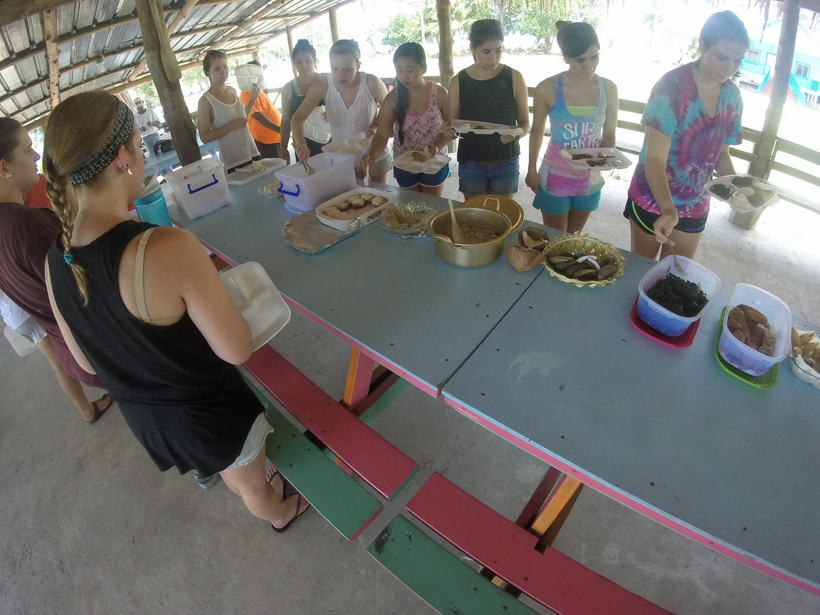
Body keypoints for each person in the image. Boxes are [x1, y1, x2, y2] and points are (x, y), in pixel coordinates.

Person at [43, 91, 309, 531]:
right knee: (251, 486)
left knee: (227, 469)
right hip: (210, 416)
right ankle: (279, 513)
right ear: (122, 158)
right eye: (138, 145)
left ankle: (238, 478)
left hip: (153, 424)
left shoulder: (57, 258)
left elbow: (89, 363)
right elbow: (235, 348)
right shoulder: (163, 247)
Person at [0, 117, 112, 423]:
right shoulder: (26, 225)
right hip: (98, 344)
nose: (36, 157)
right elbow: (86, 285)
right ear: (3, 167)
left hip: (72, 348)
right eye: (27, 150)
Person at [625, 11, 748, 260]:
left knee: (675, 280)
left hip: (696, 203)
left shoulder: (733, 97)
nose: (728, 68)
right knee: (642, 273)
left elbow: (721, 153)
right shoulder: (671, 87)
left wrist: (739, 189)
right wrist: (668, 209)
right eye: (721, 57)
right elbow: (655, 159)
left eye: (738, 61)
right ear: (702, 45)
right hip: (652, 198)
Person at [526, 22, 618, 235]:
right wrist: (531, 168)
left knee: (573, 239)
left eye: (594, 57)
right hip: (555, 177)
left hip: (589, 179)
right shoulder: (547, 88)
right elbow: (537, 131)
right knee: (556, 240)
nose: (589, 66)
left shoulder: (609, 89)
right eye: (580, 60)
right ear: (565, 57)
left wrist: (604, 160)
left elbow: (610, 135)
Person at [449, 19, 530, 200]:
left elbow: (525, 123)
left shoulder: (514, 77)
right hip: (471, 161)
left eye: (498, 50)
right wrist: (448, 129)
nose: (493, 57)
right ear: (472, 49)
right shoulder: (459, 81)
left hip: (505, 160)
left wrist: (517, 133)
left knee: (502, 216)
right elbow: (453, 124)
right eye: (486, 51)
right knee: (475, 216)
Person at [292, 39, 391, 184]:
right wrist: (301, 143)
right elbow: (297, 117)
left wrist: (376, 125)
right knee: (350, 200)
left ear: (358, 65)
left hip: (375, 153)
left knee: (379, 197)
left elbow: (391, 112)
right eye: (335, 68)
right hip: (342, 157)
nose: (340, 75)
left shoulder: (372, 83)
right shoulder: (323, 85)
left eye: (347, 69)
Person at [362, 43, 455, 197]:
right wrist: (371, 154)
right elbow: (382, 135)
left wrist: (437, 147)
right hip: (403, 163)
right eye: (399, 70)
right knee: (412, 206)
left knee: (431, 204)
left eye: (410, 70)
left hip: (434, 163)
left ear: (423, 68)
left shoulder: (440, 94)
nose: (405, 76)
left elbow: (452, 131)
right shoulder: (393, 98)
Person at [196, 49, 262, 173]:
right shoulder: (206, 101)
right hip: (233, 160)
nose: (223, 71)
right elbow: (204, 136)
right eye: (217, 69)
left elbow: (241, 120)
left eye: (225, 66)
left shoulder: (232, 90)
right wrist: (232, 125)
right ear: (207, 73)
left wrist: (252, 101)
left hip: (251, 151)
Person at [280, 40, 328, 163]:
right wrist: (283, 147)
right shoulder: (288, 89)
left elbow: (344, 106)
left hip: (328, 141)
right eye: (299, 62)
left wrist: (333, 111)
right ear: (294, 63)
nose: (304, 65)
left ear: (315, 61)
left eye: (308, 61)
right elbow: (286, 121)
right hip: (302, 146)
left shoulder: (327, 82)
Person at [238, 61, 283, 159]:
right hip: (266, 140)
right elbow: (257, 115)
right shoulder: (247, 92)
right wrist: (278, 129)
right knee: (275, 168)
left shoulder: (257, 90)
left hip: (274, 137)